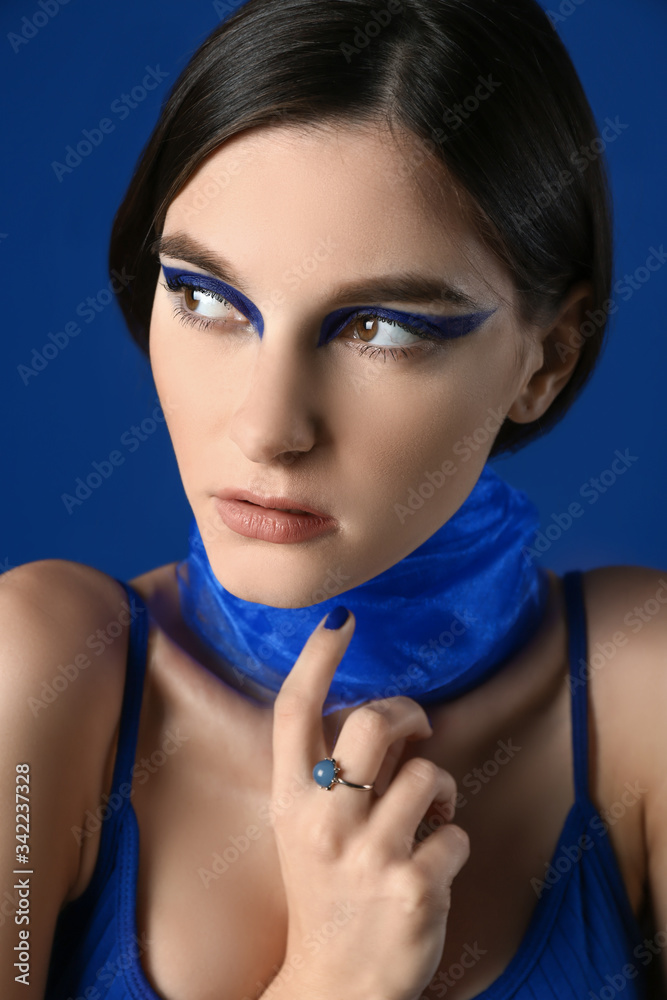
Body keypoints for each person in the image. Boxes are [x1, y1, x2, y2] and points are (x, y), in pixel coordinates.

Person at [1, 0, 666, 998]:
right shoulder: (44, 674)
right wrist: (331, 979)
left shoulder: (638, 688)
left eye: (381, 329)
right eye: (206, 298)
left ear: (549, 355)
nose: (270, 427)